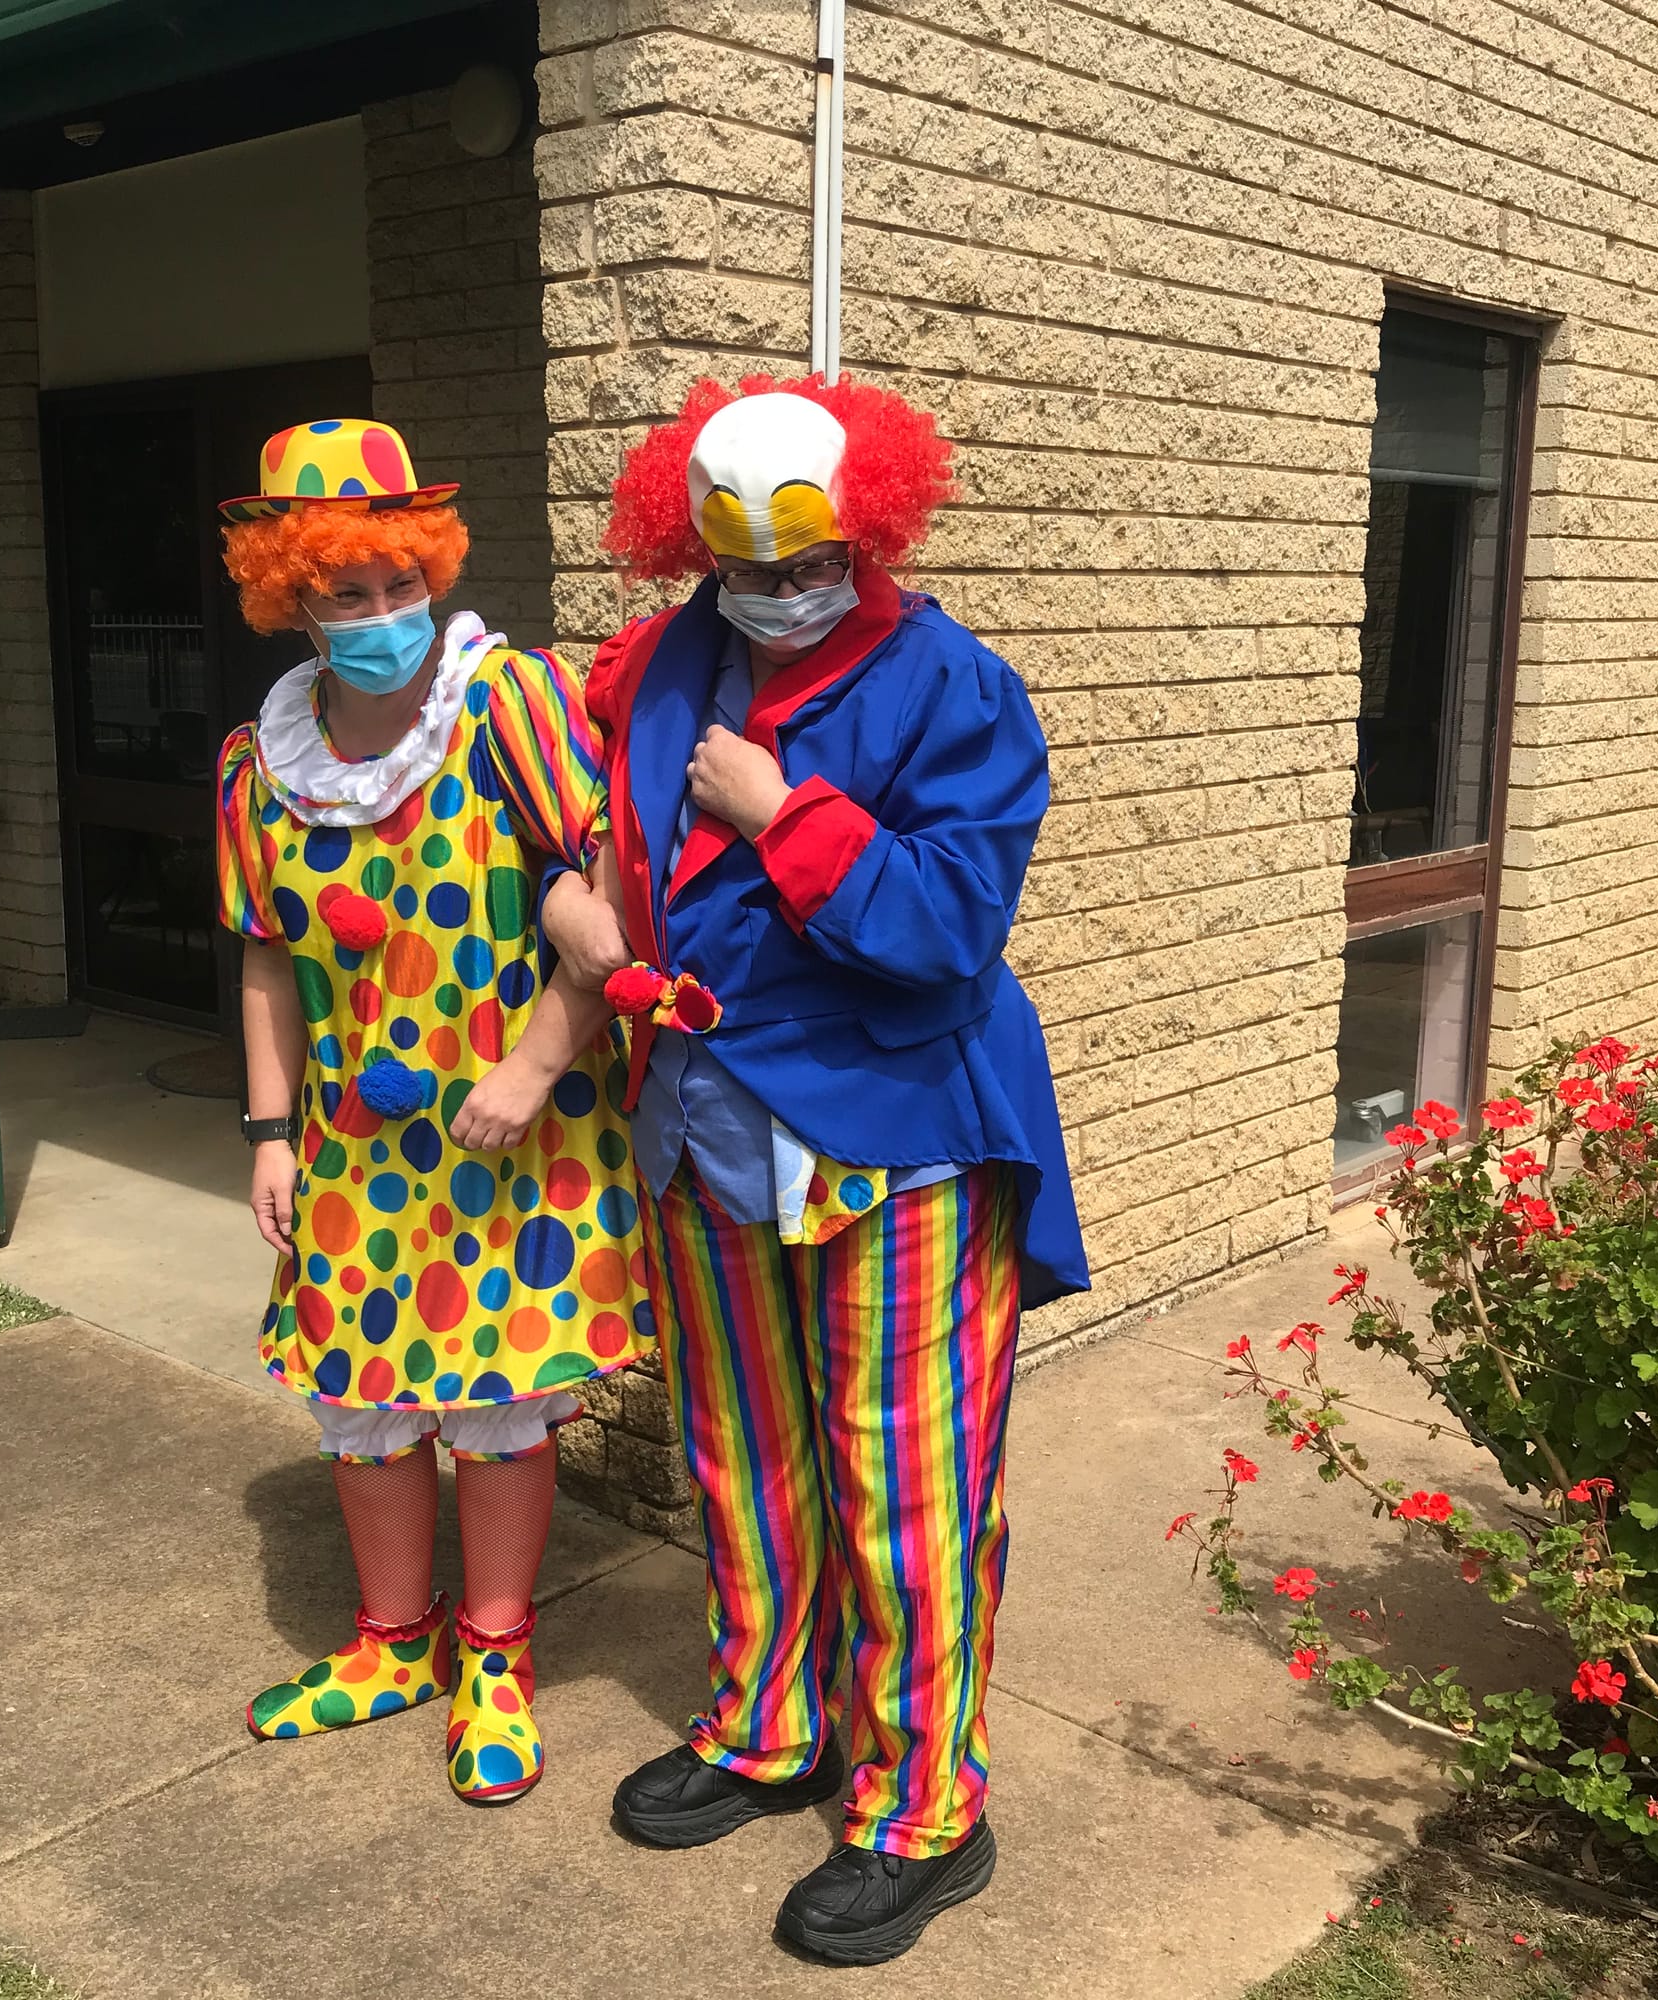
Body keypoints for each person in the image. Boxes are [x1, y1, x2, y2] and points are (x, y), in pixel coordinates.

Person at [542, 376, 1089, 1962]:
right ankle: (769, 1725)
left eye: (811, 560)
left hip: (899, 1135)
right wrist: (573, 909)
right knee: (742, 1449)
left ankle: (923, 1808)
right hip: (704, 1123)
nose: (779, 589)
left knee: (905, 1485)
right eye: (746, 564)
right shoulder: (659, 660)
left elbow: (946, 928)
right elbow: (600, 837)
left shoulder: (956, 688)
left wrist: (786, 814)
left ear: (869, 532)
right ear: (695, 544)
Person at [214, 418, 651, 1805]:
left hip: (514, 1133)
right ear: (291, 600)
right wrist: (270, 1133)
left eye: (400, 582)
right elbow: (268, 955)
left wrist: (529, 1070)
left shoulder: (511, 703)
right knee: (362, 1393)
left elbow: (611, 908)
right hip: (353, 1146)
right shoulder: (257, 765)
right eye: (346, 592)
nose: (383, 613)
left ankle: (496, 1653)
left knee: (499, 1398)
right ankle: (395, 1639)